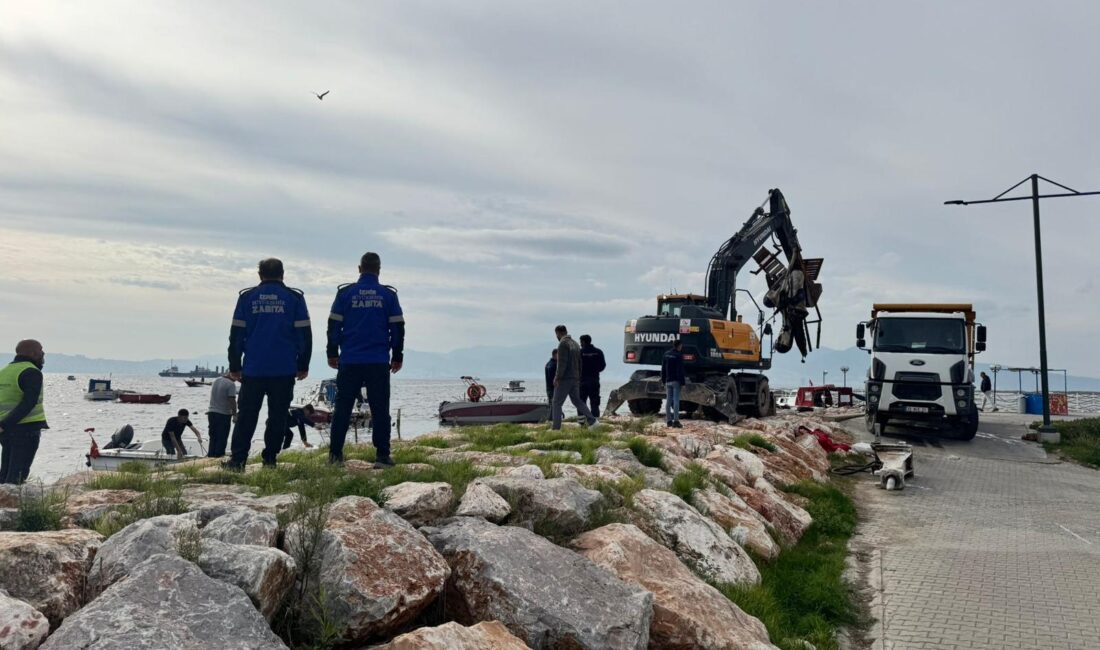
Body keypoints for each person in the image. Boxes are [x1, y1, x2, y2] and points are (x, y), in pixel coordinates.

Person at [225, 258, 312, 469]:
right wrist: (303, 364)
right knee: (278, 417)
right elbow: (304, 335)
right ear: (283, 274)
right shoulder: (294, 299)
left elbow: (236, 335)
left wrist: (234, 366)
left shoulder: (247, 298)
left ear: (260, 274)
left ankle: (237, 461)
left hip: (254, 369)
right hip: (284, 369)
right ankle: (270, 460)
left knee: (246, 416)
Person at [327, 252, 404, 467]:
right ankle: (382, 456)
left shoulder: (345, 294)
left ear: (359, 269)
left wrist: (332, 353)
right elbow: (397, 328)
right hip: (378, 361)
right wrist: (397, 356)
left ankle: (335, 456)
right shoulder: (388, 296)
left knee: (342, 408)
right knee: (380, 409)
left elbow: (333, 326)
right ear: (379, 270)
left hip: (350, 360)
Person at [0, 340, 48, 484]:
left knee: (5, 474)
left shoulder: (5, 371)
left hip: (5, 430)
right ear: (33, 353)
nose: (43, 354)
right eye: (41, 350)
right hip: (24, 429)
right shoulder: (31, 372)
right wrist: (5, 425)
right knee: (17, 476)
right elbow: (29, 402)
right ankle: (11, 505)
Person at [551, 325, 598, 430]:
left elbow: (562, 363)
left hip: (565, 378)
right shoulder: (575, 344)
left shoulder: (563, 344)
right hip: (575, 377)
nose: (557, 337)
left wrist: (557, 377)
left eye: (556, 334)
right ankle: (593, 421)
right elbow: (579, 362)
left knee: (556, 402)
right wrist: (579, 376)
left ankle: (556, 428)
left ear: (558, 333)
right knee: (577, 400)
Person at [206, 372, 238, 457]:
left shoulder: (216, 380)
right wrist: (235, 414)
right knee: (222, 436)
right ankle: (219, 456)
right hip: (223, 414)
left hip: (211, 412)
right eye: (238, 376)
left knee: (213, 436)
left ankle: (211, 455)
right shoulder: (231, 384)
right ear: (232, 374)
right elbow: (232, 400)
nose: (238, 379)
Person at [578, 334, 607, 418]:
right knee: (594, 402)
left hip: (582, 381)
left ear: (583, 342)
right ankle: (595, 422)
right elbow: (603, 365)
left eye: (580, 342)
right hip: (594, 380)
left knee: (581, 402)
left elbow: (575, 366)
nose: (580, 344)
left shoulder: (579, 352)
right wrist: (595, 371)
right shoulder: (598, 352)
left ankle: (582, 423)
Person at [661, 340, 686, 428]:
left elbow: (663, 369)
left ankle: (668, 421)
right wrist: (682, 382)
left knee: (668, 401)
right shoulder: (678, 356)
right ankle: (676, 421)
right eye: (681, 346)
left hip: (668, 381)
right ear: (679, 346)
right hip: (676, 381)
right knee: (676, 401)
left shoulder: (666, 354)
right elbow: (680, 370)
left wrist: (663, 380)